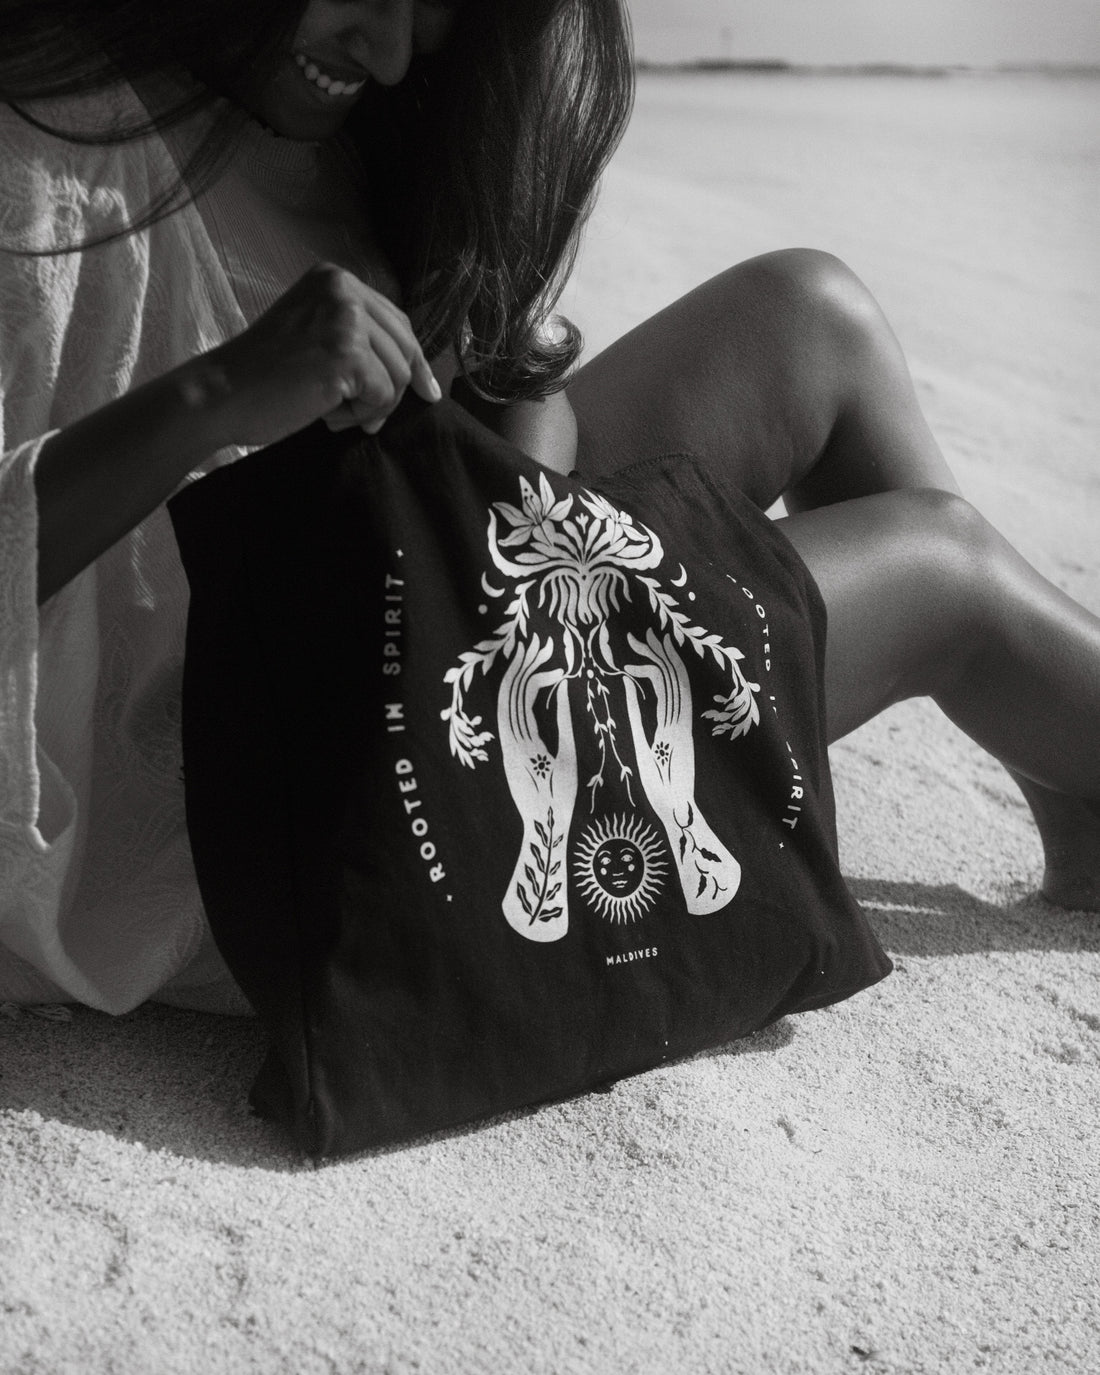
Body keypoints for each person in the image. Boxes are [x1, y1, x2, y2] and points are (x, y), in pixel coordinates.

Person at [1, 0, 1096, 1016]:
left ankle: (1075, 803)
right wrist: (214, 395)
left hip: (417, 625)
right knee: (945, 574)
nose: (392, 52)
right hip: (283, 804)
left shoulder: (329, 139)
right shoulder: (45, 151)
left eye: (434, 12)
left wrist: (505, 453)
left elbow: (484, 415)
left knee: (811, 318)